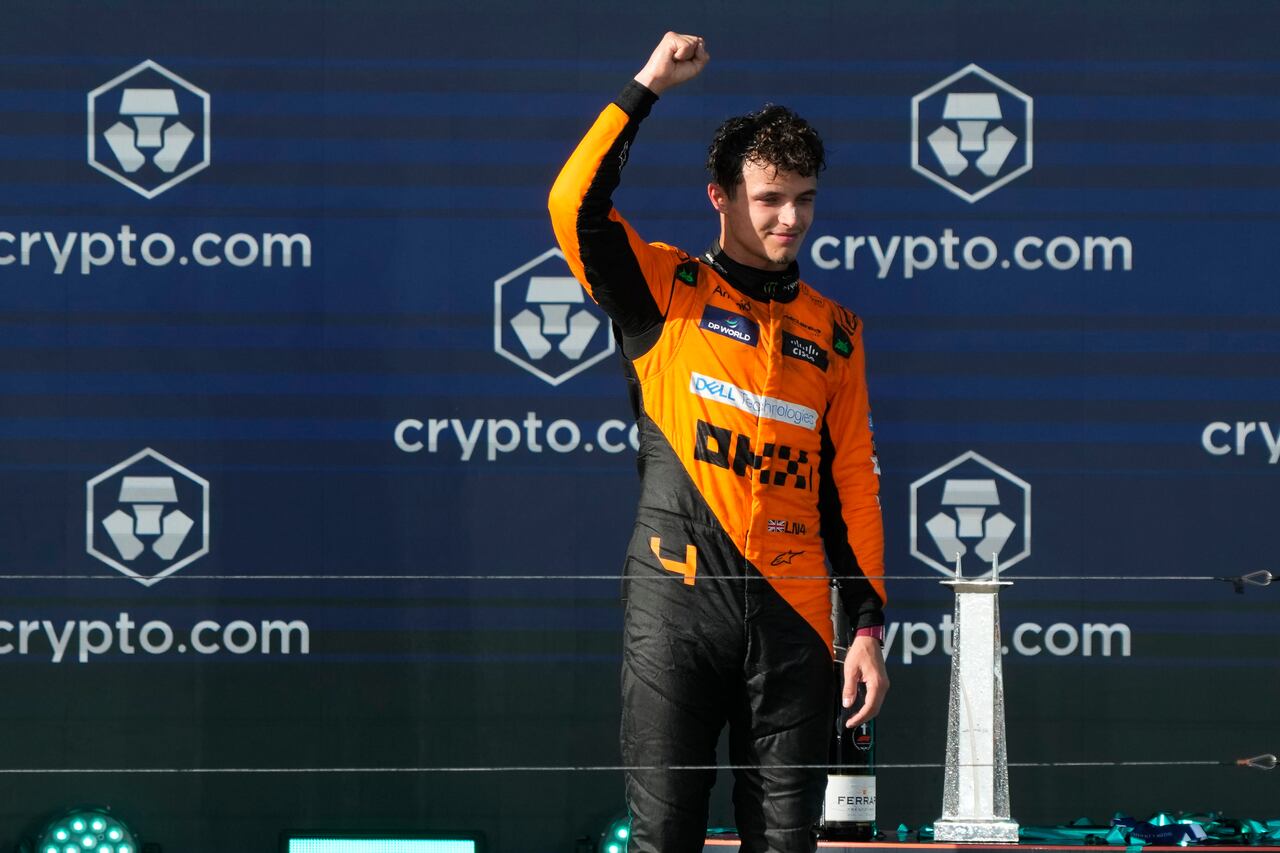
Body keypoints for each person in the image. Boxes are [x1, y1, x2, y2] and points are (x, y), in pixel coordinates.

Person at [549, 32, 888, 853]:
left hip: (797, 616)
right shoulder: (663, 288)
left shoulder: (836, 333)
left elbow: (850, 483)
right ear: (721, 197)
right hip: (677, 605)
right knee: (665, 836)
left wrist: (869, 628)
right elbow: (573, 206)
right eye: (769, 198)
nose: (790, 218)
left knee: (787, 842)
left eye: (804, 198)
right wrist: (648, 85)